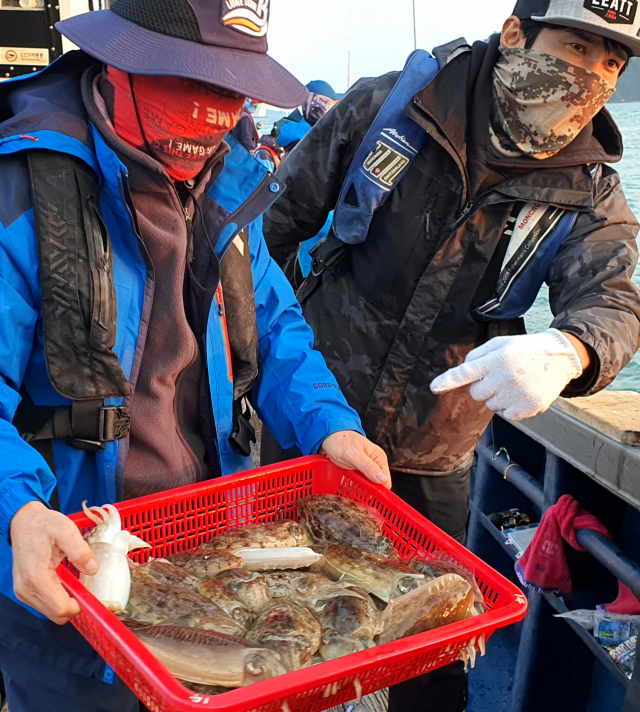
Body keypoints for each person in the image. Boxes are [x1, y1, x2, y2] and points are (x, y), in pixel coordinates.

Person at [0, 1, 391, 710]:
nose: (215, 116)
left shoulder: (228, 184)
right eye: (193, 81)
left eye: (232, 87)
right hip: (72, 554)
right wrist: (15, 516)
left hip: (212, 539)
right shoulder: (17, 190)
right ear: (119, 59)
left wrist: (330, 425)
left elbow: (274, 331)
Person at [261, 0, 640, 709]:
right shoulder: (387, 106)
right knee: (277, 603)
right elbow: (269, 231)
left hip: (435, 449)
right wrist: (259, 362)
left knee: (434, 652)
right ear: (515, 34)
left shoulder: (588, 189)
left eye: (610, 62)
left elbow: (612, 299)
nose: (590, 76)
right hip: (311, 415)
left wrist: (569, 348)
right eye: (575, 48)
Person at [272, 79, 338, 155]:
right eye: (333, 102)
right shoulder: (313, 140)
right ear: (319, 104)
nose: (336, 107)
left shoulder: (297, 136)